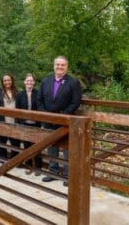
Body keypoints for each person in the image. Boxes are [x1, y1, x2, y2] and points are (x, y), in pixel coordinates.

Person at [38, 56, 82, 186]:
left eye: (63, 65)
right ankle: (53, 171)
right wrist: (45, 115)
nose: (60, 67)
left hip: (66, 121)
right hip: (48, 121)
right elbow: (39, 100)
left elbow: (76, 102)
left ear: (66, 67)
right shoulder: (46, 81)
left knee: (67, 148)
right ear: (54, 66)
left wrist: (63, 115)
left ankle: (68, 174)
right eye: (58, 64)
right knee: (52, 146)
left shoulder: (73, 82)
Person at [16, 73, 42, 176]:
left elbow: (40, 108)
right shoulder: (20, 94)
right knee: (26, 146)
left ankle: (38, 167)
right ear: (24, 82)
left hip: (36, 124)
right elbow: (17, 110)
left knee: (37, 146)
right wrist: (19, 124)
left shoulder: (38, 93)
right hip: (24, 124)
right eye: (28, 80)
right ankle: (28, 166)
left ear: (34, 82)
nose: (29, 82)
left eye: (31, 81)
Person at [0, 74, 20, 161]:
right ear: (2, 82)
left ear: (12, 81)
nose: (7, 82)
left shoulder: (17, 92)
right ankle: (2, 160)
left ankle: (15, 161)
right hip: (2, 120)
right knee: (1, 141)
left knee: (15, 142)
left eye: (8, 80)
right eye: (5, 81)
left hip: (14, 121)